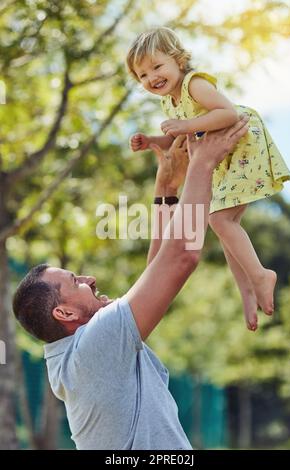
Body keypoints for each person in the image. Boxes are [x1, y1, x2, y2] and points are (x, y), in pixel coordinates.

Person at [12, 117, 249, 450]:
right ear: (64, 313)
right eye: (75, 281)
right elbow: (181, 258)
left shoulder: (80, 352)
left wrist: (166, 188)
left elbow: (155, 274)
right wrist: (204, 162)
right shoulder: (93, 346)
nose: (89, 278)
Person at [126, 27, 290, 331]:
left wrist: (187, 123)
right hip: (222, 155)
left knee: (219, 220)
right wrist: (152, 140)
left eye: (157, 67)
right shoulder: (170, 102)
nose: (151, 78)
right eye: (142, 75)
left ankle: (260, 275)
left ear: (178, 60)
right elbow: (182, 135)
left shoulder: (194, 85)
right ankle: (247, 291)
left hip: (242, 141)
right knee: (226, 225)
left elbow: (227, 113)